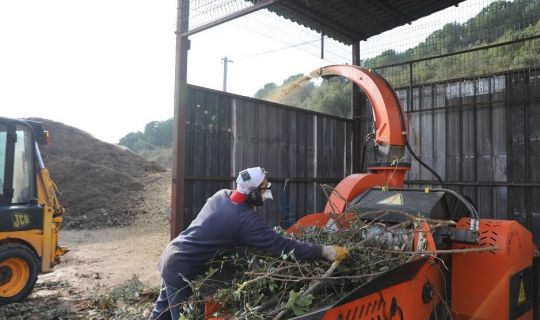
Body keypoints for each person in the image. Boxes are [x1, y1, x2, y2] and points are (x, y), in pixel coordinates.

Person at [150, 166, 349, 320]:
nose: (266, 193)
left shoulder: (222, 195)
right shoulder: (244, 220)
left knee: (161, 313)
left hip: (174, 254)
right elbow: (281, 246)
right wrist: (323, 250)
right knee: (181, 316)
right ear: (253, 193)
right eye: (264, 189)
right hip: (180, 267)